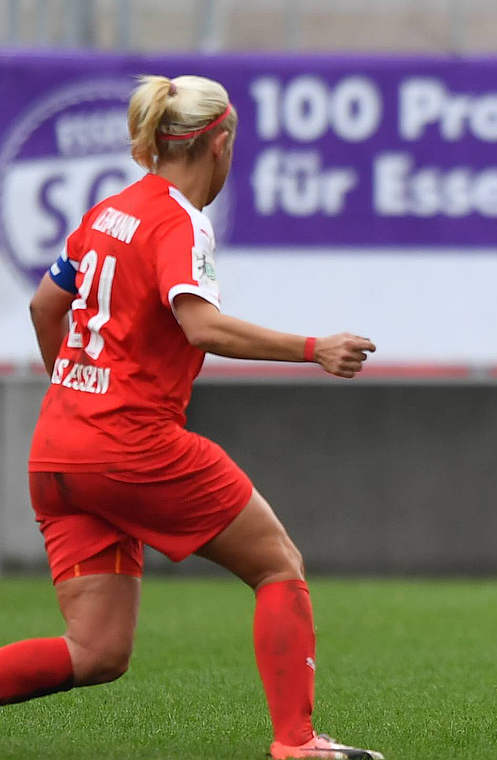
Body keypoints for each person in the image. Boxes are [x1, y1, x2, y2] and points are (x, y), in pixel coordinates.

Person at [1, 74, 384, 760]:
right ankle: (296, 743)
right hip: (131, 446)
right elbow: (200, 326)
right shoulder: (178, 219)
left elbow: (42, 307)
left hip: (57, 452)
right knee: (276, 565)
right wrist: (313, 348)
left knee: (96, 652)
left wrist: (76, 391)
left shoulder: (106, 213)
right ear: (220, 141)